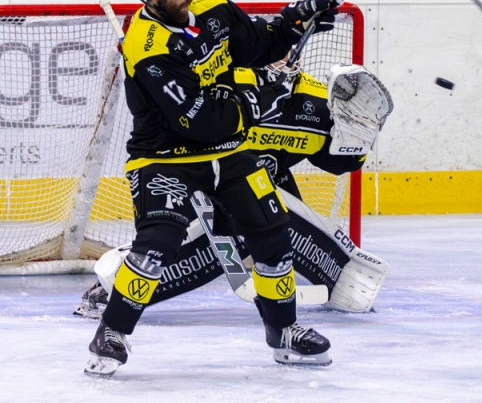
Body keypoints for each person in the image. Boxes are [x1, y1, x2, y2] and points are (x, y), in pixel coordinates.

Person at [83, 0, 342, 376]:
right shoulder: (146, 47)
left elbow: (260, 46)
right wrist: (259, 98)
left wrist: (297, 20)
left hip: (229, 153)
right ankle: (112, 331)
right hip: (163, 159)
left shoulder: (212, 8)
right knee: (157, 246)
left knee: (273, 235)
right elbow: (199, 121)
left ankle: (284, 331)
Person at [75, 58, 392, 318]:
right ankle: (118, 288)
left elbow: (337, 162)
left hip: (266, 182)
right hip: (199, 180)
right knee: (208, 238)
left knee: (273, 226)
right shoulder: (219, 89)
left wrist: (355, 135)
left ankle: (290, 289)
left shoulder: (314, 101)